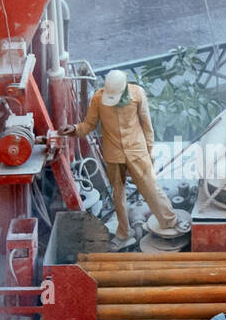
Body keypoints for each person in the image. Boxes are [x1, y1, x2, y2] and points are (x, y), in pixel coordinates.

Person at [58, 69, 185, 248]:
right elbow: (89, 124)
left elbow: (147, 127)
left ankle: (169, 221)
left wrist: (149, 153)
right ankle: (124, 234)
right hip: (114, 155)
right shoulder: (98, 98)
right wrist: (73, 129)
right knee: (118, 196)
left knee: (150, 188)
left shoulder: (137, 94)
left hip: (137, 152)